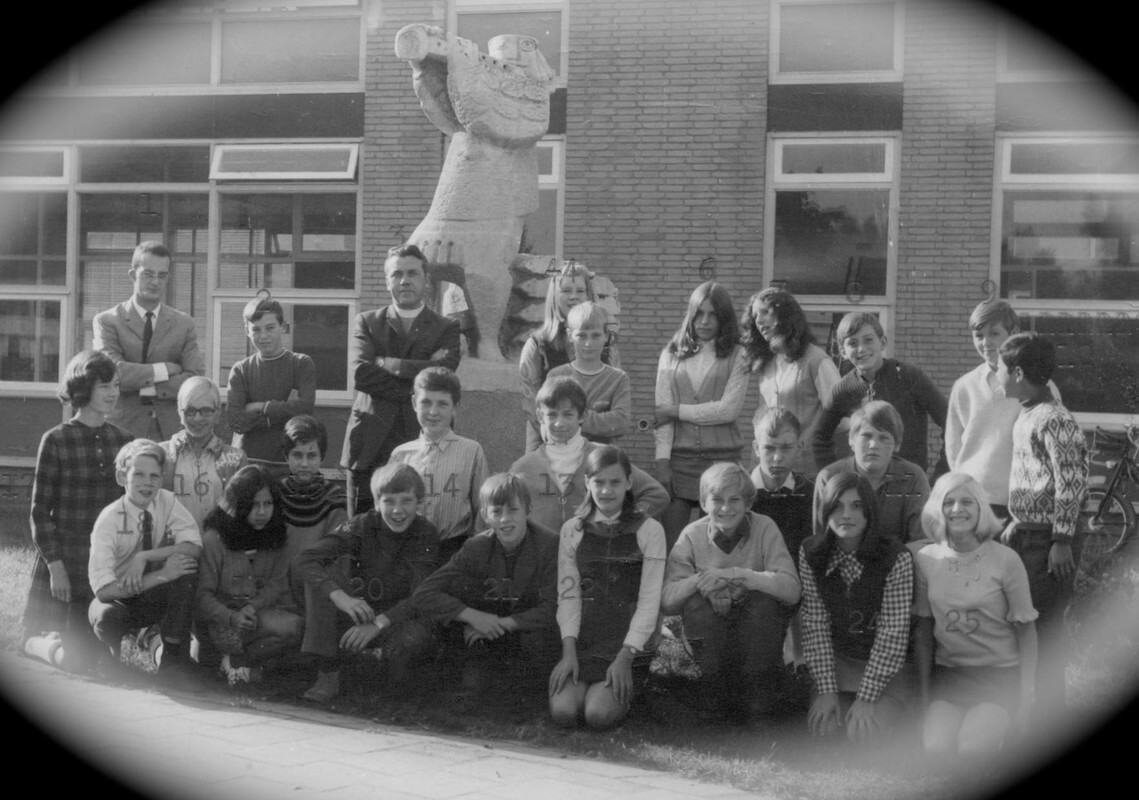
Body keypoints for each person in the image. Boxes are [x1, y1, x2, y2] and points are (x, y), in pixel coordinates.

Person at [22, 350, 134, 674]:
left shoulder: (124, 441)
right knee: (75, 661)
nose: (113, 393)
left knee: (100, 658)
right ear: (83, 389)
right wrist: (55, 567)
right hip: (65, 563)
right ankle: (33, 642)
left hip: (104, 563)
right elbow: (39, 512)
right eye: (104, 387)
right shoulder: (55, 440)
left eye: (115, 385)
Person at [661, 462, 800, 722]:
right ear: (703, 502)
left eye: (735, 499)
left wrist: (741, 576)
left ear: (748, 503)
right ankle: (713, 692)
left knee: (763, 605)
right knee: (697, 606)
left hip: (756, 633)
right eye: (717, 499)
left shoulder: (764, 527)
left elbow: (791, 589)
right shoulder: (692, 535)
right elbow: (668, 598)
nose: (726, 508)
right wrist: (702, 581)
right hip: (712, 633)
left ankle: (758, 694)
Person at [913, 473, 1038, 757]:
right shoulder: (927, 560)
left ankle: (1000, 735)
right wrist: (923, 696)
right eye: (949, 502)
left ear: (981, 507)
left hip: (998, 674)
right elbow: (923, 629)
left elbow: (1027, 631)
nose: (958, 510)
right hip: (950, 674)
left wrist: (1026, 698)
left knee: (971, 750)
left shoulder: (1006, 559)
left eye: (967, 502)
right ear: (938, 509)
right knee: (935, 749)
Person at [997, 331, 1087, 723]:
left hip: (1051, 543)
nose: (996, 376)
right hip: (1028, 535)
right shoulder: (1028, 411)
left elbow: (1071, 481)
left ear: (1017, 372)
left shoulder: (1055, 419)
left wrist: (1062, 539)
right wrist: (1016, 521)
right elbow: (1036, 479)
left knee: (1045, 629)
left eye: (1000, 369)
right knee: (1024, 625)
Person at [296, 462, 440, 703]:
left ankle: (390, 689)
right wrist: (340, 597)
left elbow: (420, 597)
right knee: (322, 579)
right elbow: (307, 559)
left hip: (399, 616)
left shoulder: (425, 533)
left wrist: (378, 624)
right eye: (389, 501)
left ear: (419, 503)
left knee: (411, 644)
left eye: (406, 501)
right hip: (361, 609)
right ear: (376, 503)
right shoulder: (362, 524)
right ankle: (328, 672)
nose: (397, 510)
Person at [548, 446, 667, 729]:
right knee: (564, 712)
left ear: (628, 483)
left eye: (615, 482)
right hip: (585, 639)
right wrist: (568, 652)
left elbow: (649, 601)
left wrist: (626, 656)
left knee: (597, 715)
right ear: (587, 483)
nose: (606, 491)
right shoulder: (573, 530)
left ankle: (629, 687)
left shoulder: (649, 530)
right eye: (598, 482)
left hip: (628, 643)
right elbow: (568, 596)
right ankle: (592, 685)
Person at [341, 244, 462, 515]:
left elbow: (443, 379)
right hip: (370, 446)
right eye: (396, 274)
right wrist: (424, 370)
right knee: (363, 536)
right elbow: (361, 375)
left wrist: (389, 363)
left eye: (412, 273)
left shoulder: (446, 328)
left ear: (426, 280)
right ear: (387, 281)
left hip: (423, 442)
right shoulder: (367, 322)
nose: (404, 280)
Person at [409, 473, 560, 690]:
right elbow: (424, 593)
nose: (505, 519)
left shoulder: (549, 544)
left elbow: (552, 607)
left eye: (513, 510)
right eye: (496, 512)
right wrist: (474, 617)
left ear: (528, 510)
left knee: (536, 653)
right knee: (474, 690)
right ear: (485, 515)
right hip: (487, 633)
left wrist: (502, 623)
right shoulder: (476, 546)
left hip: (528, 630)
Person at [800, 471, 916, 742]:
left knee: (863, 736)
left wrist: (866, 698)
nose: (846, 515)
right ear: (826, 510)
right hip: (838, 662)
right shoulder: (812, 553)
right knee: (824, 731)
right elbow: (815, 624)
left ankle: (895, 718)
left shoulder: (895, 557)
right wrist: (826, 689)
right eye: (837, 506)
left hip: (888, 668)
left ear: (869, 512)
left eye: (856, 506)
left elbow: (893, 635)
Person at [87, 439, 203, 689]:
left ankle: (171, 661)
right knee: (107, 616)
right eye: (138, 474)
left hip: (149, 596)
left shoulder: (166, 501)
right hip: (117, 598)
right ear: (121, 477)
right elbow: (103, 590)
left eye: (154, 476)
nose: (147, 483)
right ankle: (110, 656)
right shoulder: (109, 519)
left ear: (162, 479)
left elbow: (194, 546)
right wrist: (162, 575)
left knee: (187, 567)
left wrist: (145, 557)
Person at [653, 281, 750, 549]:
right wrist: (662, 461)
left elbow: (728, 409)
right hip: (679, 464)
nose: (704, 321)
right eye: (699, 313)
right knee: (672, 546)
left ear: (724, 318)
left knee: (718, 546)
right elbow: (663, 415)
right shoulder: (671, 355)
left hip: (722, 463)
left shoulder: (738, 355)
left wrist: (677, 411)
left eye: (713, 315)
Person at [510, 376, 668, 535]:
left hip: (591, 555)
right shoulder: (523, 468)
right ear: (539, 415)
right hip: (543, 557)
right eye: (552, 415)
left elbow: (656, 494)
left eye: (568, 414)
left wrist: (625, 522)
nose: (559, 423)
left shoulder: (605, 457)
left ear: (582, 416)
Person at [946, 300, 1059, 520]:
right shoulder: (964, 386)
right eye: (979, 335)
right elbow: (953, 444)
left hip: (1020, 501)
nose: (985, 342)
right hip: (974, 499)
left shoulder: (1039, 386)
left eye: (994, 334)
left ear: (1014, 333)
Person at [196, 465, 303, 686]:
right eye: (253, 505)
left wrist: (252, 607)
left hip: (259, 615)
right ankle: (236, 664)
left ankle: (236, 664)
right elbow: (203, 597)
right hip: (223, 622)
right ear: (237, 505)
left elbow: (276, 584)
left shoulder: (279, 535)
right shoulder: (214, 539)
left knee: (302, 630)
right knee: (293, 633)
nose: (262, 512)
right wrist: (233, 617)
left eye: (268, 504)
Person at [93, 241, 204, 440]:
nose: (155, 282)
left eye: (162, 275)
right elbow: (113, 373)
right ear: (132, 275)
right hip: (122, 430)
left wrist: (147, 386)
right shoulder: (108, 321)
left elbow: (193, 381)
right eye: (148, 274)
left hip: (171, 433)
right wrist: (165, 369)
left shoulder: (184, 324)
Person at [811, 312, 948, 475]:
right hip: (864, 486)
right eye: (852, 343)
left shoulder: (910, 377)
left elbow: (951, 422)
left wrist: (940, 476)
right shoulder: (844, 389)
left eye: (868, 340)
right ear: (843, 351)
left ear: (882, 343)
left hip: (908, 484)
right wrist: (835, 478)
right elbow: (819, 438)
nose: (861, 349)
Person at [389, 367, 490, 562]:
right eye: (426, 402)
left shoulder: (471, 451)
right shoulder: (401, 455)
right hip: (409, 551)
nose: (433, 412)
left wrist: (478, 553)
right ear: (413, 403)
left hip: (454, 550)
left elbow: (482, 509)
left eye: (443, 404)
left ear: (455, 407)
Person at [518, 260, 620, 452]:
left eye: (580, 291)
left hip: (596, 446)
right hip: (547, 443)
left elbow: (616, 402)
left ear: (589, 295)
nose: (574, 297)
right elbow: (530, 405)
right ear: (554, 295)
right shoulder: (536, 345)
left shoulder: (607, 344)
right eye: (566, 291)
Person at [740, 287, 840, 478]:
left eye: (766, 312)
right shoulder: (767, 364)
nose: (759, 321)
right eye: (755, 315)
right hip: (772, 471)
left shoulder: (816, 360)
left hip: (810, 470)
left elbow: (839, 416)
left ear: (786, 315)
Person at [749, 407, 814, 666]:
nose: (777, 458)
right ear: (756, 448)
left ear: (799, 447)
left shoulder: (810, 493)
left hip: (797, 585)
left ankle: (798, 662)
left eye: (786, 448)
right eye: (769, 448)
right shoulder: (739, 493)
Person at [813, 401, 930, 544]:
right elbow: (820, 541)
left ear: (897, 444)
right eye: (866, 436)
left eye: (884, 438)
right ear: (851, 440)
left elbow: (921, 542)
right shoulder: (829, 477)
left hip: (897, 563)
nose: (874, 445)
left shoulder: (913, 478)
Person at [226, 294, 316, 473]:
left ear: (282, 326)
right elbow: (235, 421)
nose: (263, 336)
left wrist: (261, 406)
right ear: (247, 330)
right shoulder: (241, 370)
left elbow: (305, 408)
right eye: (256, 330)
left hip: (288, 462)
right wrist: (284, 410)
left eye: (270, 328)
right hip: (248, 462)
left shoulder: (301, 364)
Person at [276, 414, 348, 610]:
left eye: (312, 455)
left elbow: (337, 556)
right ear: (286, 456)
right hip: (277, 592)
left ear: (321, 456)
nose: (305, 464)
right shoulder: (274, 494)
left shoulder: (334, 498)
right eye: (297, 455)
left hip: (318, 592)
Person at [160, 376, 247, 532]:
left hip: (218, 549)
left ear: (218, 413)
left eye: (206, 411)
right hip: (174, 550)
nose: (197, 418)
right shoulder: (161, 454)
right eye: (190, 411)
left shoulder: (236, 458)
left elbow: (240, 513)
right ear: (180, 411)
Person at [544, 301, 631, 445]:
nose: (588, 343)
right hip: (564, 456)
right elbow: (550, 422)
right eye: (581, 336)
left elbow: (620, 422)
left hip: (603, 461)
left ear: (606, 336)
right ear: (570, 335)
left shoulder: (618, 379)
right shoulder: (556, 376)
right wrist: (601, 419)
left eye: (595, 335)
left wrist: (570, 417)